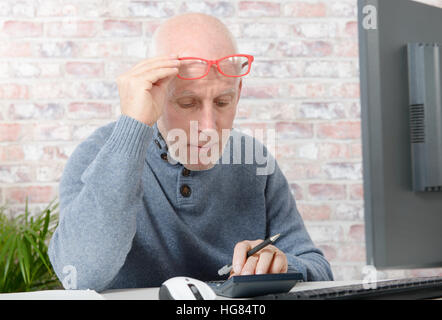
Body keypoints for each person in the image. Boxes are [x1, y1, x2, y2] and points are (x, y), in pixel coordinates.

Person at [48, 12, 333, 292]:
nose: (208, 127)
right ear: (154, 93)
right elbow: (79, 276)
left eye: (223, 101)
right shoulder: (99, 154)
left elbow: (319, 269)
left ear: (239, 91)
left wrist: (282, 265)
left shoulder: (253, 160)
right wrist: (133, 127)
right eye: (187, 103)